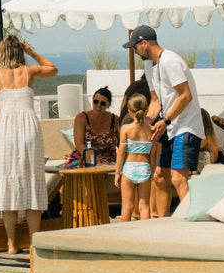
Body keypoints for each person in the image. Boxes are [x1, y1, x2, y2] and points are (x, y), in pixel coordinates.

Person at [0, 35, 58, 254]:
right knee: (32, 182)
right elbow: (52, 68)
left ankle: (12, 243)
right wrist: (32, 52)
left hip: (6, 130)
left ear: (1, 53)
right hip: (29, 129)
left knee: (8, 183)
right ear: (20, 52)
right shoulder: (29, 71)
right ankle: (34, 242)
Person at [122, 25, 204, 217]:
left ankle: (197, 221)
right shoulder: (149, 66)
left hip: (186, 126)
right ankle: (165, 222)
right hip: (170, 126)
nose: (134, 52)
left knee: (178, 178)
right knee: (159, 176)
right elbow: (156, 101)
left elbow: (185, 96)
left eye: (135, 47)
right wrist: (144, 124)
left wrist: (165, 121)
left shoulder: (170, 61)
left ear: (144, 43)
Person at [114, 93, 158, 221]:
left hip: (129, 168)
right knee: (144, 206)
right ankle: (144, 235)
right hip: (145, 168)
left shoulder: (126, 129)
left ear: (129, 111)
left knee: (127, 207)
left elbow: (121, 152)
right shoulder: (151, 130)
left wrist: (118, 172)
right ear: (147, 110)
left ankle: (124, 236)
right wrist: (153, 172)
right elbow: (153, 156)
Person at [73, 87, 119, 164]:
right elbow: (79, 144)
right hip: (86, 158)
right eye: (96, 101)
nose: (98, 105)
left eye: (103, 103)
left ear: (108, 105)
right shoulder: (82, 118)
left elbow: (121, 144)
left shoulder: (115, 120)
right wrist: (92, 157)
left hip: (110, 161)